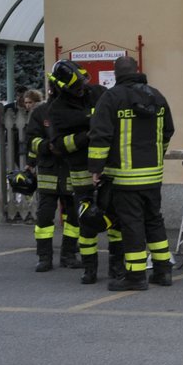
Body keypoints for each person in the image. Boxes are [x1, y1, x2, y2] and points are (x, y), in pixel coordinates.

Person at [88, 55, 174, 291]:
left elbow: (100, 136)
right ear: (137, 70)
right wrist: (156, 156)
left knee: (132, 224)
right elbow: (167, 131)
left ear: (115, 74)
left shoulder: (111, 97)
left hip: (125, 178)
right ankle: (163, 271)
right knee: (154, 220)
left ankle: (136, 277)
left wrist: (96, 169)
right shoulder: (156, 96)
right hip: (153, 176)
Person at [44, 60, 124, 284]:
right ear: (62, 87)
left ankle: (117, 268)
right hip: (81, 174)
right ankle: (89, 270)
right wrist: (85, 136)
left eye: (82, 83)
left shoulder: (99, 93)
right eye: (76, 87)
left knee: (115, 221)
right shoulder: (57, 109)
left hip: (108, 172)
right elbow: (59, 145)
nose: (82, 89)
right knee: (87, 224)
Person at [24, 83, 79, 272]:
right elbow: (31, 140)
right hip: (49, 170)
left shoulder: (76, 110)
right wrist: (47, 146)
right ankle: (44, 257)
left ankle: (69, 255)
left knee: (73, 216)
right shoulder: (41, 112)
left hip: (71, 170)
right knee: (45, 217)